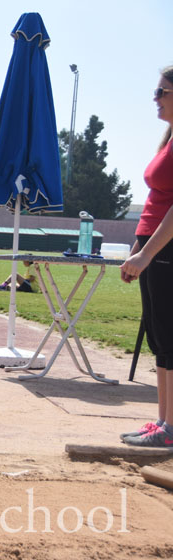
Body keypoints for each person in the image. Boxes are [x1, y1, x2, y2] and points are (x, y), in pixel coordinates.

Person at [119, 67, 173, 448]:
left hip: (166, 249)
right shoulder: (168, 138)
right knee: (158, 335)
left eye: (162, 91)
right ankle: (162, 421)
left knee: (169, 335)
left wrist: (147, 254)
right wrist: (139, 250)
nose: (155, 98)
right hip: (153, 247)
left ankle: (172, 429)